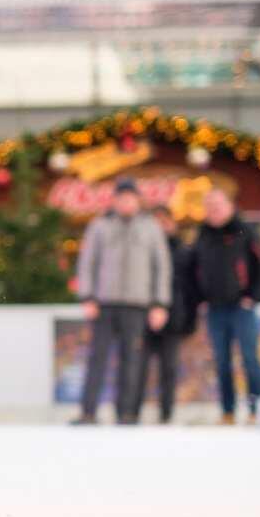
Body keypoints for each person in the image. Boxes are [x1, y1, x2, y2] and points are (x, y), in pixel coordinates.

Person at [72, 178, 171, 426]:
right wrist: (88, 296)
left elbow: (162, 266)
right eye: (121, 197)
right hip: (104, 303)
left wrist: (160, 303)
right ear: (114, 200)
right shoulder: (100, 226)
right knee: (98, 358)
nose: (126, 202)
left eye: (130, 198)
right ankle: (88, 412)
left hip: (137, 304)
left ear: (138, 200)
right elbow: (87, 263)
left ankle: (126, 414)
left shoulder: (150, 227)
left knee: (132, 360)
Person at [188, 190, 260, 426]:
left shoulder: (245, 230)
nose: (213, 210)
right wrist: (200, 297)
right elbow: (191, 269)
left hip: (241, 308)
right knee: (221, 361)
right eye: (209, 206)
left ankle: (258, 409)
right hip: (215, 309)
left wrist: (252, 296)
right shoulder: (202, 235)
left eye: (217, 204)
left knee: (249, 358)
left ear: (229, 206)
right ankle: (228, 411)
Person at [134, 206, 198, 424]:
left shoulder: (184, 251)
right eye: (156, 221)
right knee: (138, 367)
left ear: (172, 223)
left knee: (169, 368)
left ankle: (166, 413)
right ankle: (131, 411)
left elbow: (192, 289)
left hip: (174, 316)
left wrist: (189, 319)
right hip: (142, 316)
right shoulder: (141, 250)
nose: (161, 226)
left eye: (165, 221)